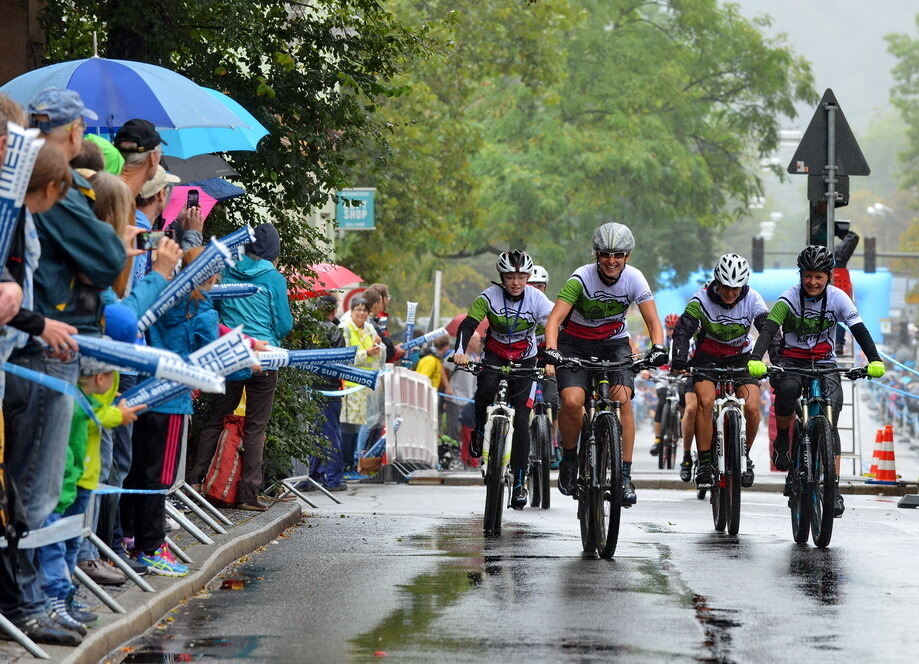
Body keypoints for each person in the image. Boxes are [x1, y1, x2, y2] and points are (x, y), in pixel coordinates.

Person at [2, 89, 126, 644]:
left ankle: (38, 598)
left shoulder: (29, 200)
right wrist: (38, 324)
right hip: (34, 354)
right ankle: (30, 602)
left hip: (34, 343)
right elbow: (106, 261)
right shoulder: (33, 193)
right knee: (36, 486)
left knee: (46, 483)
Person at [747, 245, 886, 517]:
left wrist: (875, 360)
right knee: (787, 390)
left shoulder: (839, 299)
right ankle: (785, 438)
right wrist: (756, 357)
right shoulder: (788, 298)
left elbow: (859, 330)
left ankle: (832, 488)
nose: (812, 282)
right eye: (808, 276)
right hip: (792, 363)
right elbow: (769, 330)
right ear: (801, 275)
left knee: (830, 421)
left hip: (825, 364)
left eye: (818, 277)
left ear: (828, 277)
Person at [542, 222, 666, 505]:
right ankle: (570, 459)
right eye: (606, 254)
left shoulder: (635, 279)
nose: (612, 261)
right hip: (574, 344)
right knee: (572, 401)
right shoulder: (580, 279)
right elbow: (554, 320)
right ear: (596, 254)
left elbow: (652, 321)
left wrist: (658, 347)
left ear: (627, 257)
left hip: (614, 344)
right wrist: (551, 349)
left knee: (622, 399)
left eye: (618, 255)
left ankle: (624, 476)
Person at [123, 246, 219, 575]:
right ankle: (150, 547)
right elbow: (210, 356)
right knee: (159, 478)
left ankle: (130, 535)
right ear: (212, 275)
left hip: (145, 390)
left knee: (138, 469)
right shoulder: (202, 309)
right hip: (174, 399)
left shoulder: (163, 298)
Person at [188, 223, 292, 510]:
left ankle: (196, 484)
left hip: (229, 352)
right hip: (264, 355)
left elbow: (217, 311)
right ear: (273, 250)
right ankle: (248, 494)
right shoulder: (273, 278)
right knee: (256, 426)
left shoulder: (228, 270)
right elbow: (283, 323)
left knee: (216, 417)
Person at [452, 250, 553, 509]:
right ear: (502, 277)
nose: (516, 282)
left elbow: (555, 324)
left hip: (526, 361)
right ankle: (478, 434)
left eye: (521, 277)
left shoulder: (537, 298)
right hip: (495, 357)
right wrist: (460, 352)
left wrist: (553, 357)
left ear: (528, 277)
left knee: (521, 420)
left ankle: (519, 483)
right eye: (510, 277)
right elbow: (468, 325)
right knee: (485, 386)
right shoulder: (487, 297)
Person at [670, 254, 768, 489]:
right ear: (716, 281)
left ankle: (744, 456)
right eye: (726, 287)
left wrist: (773, 358)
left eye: (736, 288)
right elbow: (682, 332)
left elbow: (768, 330)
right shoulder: (701, 299)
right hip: (708, 359)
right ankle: (704, 462)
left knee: (752, 407)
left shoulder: (753, 298)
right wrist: (679, 361)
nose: (731, 293)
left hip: (743, 358)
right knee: (704, 402)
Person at [338, 296, 384, 473]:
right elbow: (345, 357)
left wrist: (378, 348)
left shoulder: (370, 328)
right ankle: (346, 463)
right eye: (358, 309)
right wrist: (366, 353)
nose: (361, 313)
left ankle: (355, 463)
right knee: (347, 426)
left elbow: (378, 357)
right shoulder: (345, 329)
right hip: (349, 384)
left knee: (362, 426)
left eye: (364, 310)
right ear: (351, 310)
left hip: (367, 384)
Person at [308, 294, 346, 491]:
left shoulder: (308, 330)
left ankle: (312, 476)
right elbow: (342, 362)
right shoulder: (335, 332)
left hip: (310, 389)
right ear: (333, 310)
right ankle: (333, 479)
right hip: (330, 389)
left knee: (314, 432)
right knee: (331, 434)